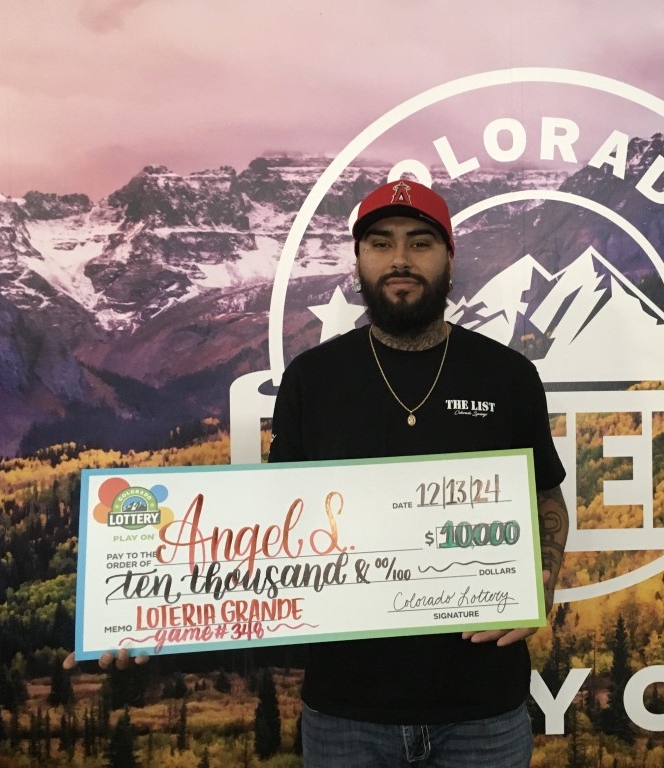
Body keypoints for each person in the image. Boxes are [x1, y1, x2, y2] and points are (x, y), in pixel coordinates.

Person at [268, 178, 569, 767]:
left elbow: (545, 498)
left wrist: (541, 584)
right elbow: (272, 531)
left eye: (421, 242)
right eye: (380, 243)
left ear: (450, 258)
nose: (400, 259)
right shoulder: (312, 379)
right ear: (358, 260)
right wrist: (159, 626)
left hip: (482, 709)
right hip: (345, 711)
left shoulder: (506, 376)